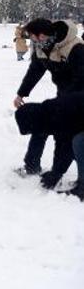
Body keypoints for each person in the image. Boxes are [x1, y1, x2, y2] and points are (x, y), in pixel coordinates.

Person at [14, 18, 84, 176]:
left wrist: (63, 102)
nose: (31, 40)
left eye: (32, 36)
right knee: (40, 124)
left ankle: (57, 173)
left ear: (42, 35)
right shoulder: (41, 48)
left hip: (79, 98)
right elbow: (34, 71)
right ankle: (31, 166)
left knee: (67, 137)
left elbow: (81, 78)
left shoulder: (75, 47)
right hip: (62, 96)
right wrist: (21, 93)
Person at [15, 94, 84, 199]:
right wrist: (56, 171)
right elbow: (62, 143)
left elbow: (66, 145)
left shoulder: (59, 114)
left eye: (32, 130)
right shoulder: (48, 112)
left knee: (78, 143)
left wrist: (57, 172)